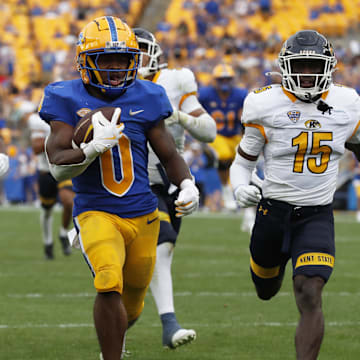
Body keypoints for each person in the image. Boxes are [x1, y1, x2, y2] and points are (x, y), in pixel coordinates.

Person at [39, 16, 199, 360]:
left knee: (134, 302)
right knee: (108, 280)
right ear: (85, 61)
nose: (115, 67)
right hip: (96, 211)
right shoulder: (64, 96)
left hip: (143, 214)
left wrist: (187, 183)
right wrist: (92, 148)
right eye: (105, 59)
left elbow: (168, 153)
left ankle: (116, 339)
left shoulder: (149, 94)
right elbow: (56, 162)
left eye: (123, 59)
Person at [230, 30, 360, 359]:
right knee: (266, 289)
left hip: (316, 214)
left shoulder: (347, 104)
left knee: (310, 291)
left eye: (313, 67)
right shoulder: (264, 103)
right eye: (300, 66)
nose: (306, 74)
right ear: (286, 67)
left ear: (328, 68)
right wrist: (240, 187)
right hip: (273, 212)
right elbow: (242, 163)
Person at [133, 27, 216, 349]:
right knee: (162, 245)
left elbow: (208, 131)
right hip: (135, 181)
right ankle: (169, 323)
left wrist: (179, 115)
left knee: (153, 260)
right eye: (131, 51)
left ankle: (121, 324)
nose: (137, 58)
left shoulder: (176, 80)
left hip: (171, 179)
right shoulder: (111, 85)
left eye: (141, 50)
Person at [199, 63, 248, 211]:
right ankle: (226, 190)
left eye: (227, 79)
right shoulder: (206, 94)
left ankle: (238, 192)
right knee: (224, 156)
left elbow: (246, 117)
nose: (224, 82)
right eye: (221, 79)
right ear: (215, 80)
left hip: (234, 135)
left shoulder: (240, 95)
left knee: (244, 160)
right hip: (216, 135)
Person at [28, 111, 74, 259]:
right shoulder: (38, 120)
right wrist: (58, 136)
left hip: (63, 167)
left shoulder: (70, 114)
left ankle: (62, 233)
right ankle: (48, 243)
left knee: (69, 202)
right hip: (46, 171)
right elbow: (36, 148)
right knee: (47, 210)